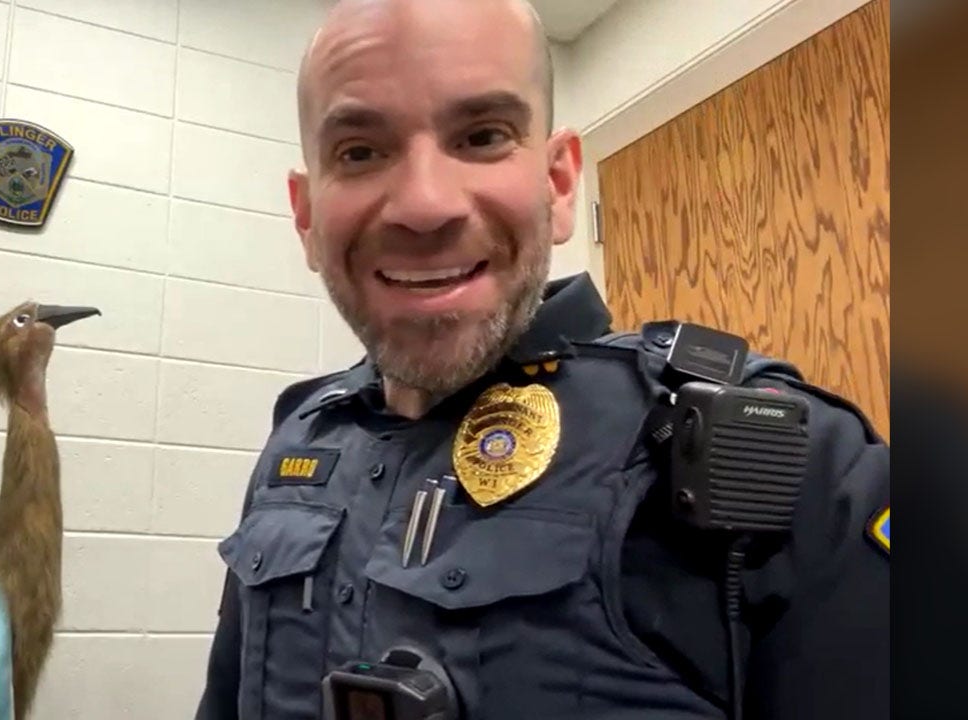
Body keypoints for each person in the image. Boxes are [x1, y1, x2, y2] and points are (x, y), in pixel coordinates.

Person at [193, 0, 890, 718]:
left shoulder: (791, 459)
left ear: (558, 183)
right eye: (360, 152)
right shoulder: (301, 440)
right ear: (307, 215)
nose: (424, 205)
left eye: (482, 137)